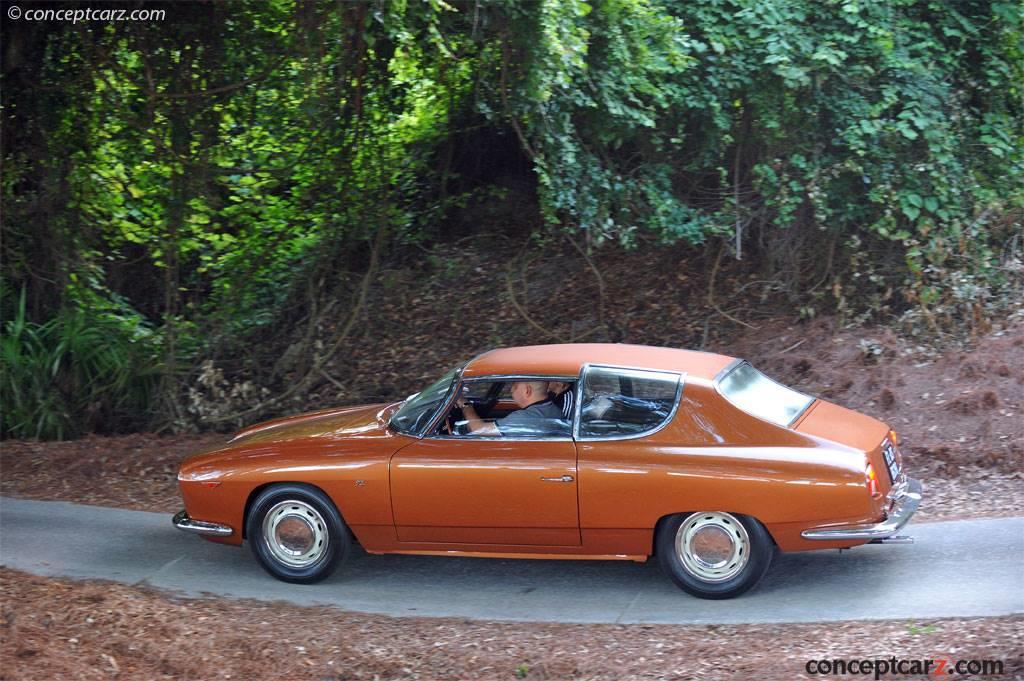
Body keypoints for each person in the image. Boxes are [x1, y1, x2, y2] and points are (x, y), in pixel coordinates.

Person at [457, 380, 566, 436]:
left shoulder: (525, 418)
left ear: (527, 391)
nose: (511, 390)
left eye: (515, 385)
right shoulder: (555, 411)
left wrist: (465, 404)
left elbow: (479, 430)